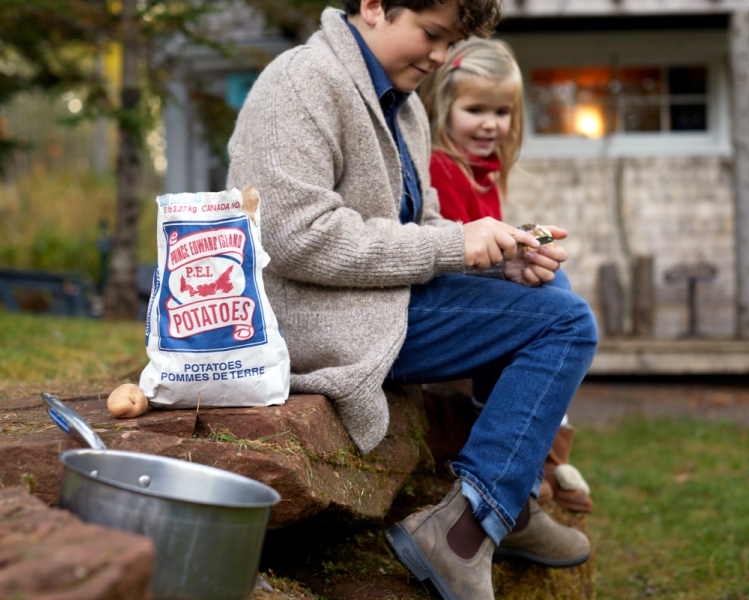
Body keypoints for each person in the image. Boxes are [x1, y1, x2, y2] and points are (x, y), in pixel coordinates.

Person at [226, 0, 598, 598]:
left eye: (449, 43)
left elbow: (417, 223)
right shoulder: (299, 83)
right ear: (373, 5)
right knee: (565, 324)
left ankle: (508, 502)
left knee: (549, 288)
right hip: (319, 316)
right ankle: (467, 531)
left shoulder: (407, 110)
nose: (440, 57)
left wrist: (504, 258)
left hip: (378, 297)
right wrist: (456, 241)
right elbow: (293, 236)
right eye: (430, 35)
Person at [419, 38, 594, 514]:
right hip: (446, 303)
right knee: (554, 302)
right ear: (443, 106)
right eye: (475, 109)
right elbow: (451, 255)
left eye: (503, 111)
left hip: (475, 294)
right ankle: (538, 457)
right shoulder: (440, 168)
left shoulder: (485, 173)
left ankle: (546, 455)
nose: (491, 123)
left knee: (549, 282)